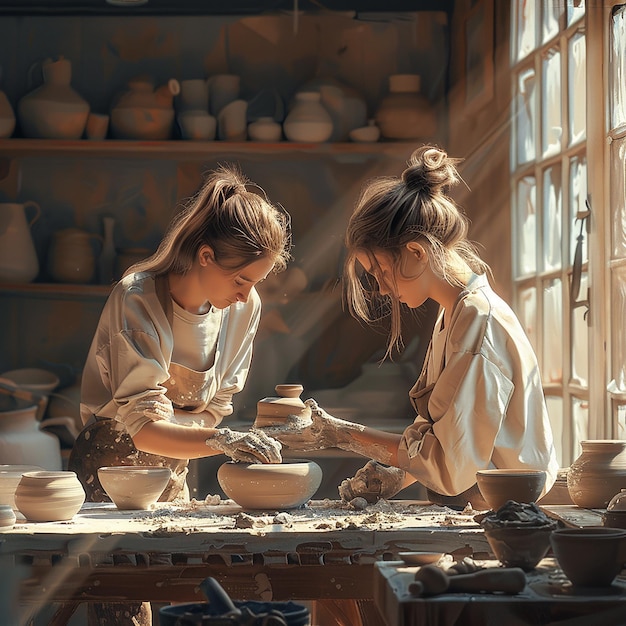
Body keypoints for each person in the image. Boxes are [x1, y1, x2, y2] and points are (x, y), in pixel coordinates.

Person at [262, 144, 559, 510]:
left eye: (380, 273)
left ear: (416, 253)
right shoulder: (453, 313)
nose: (383, 289)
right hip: (480, 504)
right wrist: (397, 473)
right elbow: (442, 437)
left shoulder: (478, 323)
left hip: (508, 514)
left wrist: (344, 434)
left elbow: (451, 465)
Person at [68, 164, 290, 625]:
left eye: (255, 282)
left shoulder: (243, 308)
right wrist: (220, 441)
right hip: (111, 467)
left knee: (177, 603)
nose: (246, 293)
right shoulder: (139, 298)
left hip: (177, 462)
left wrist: (213, 436)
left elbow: (218, 406)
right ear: (206, 255)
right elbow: (145, 430)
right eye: (240, 280)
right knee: (125, 611)